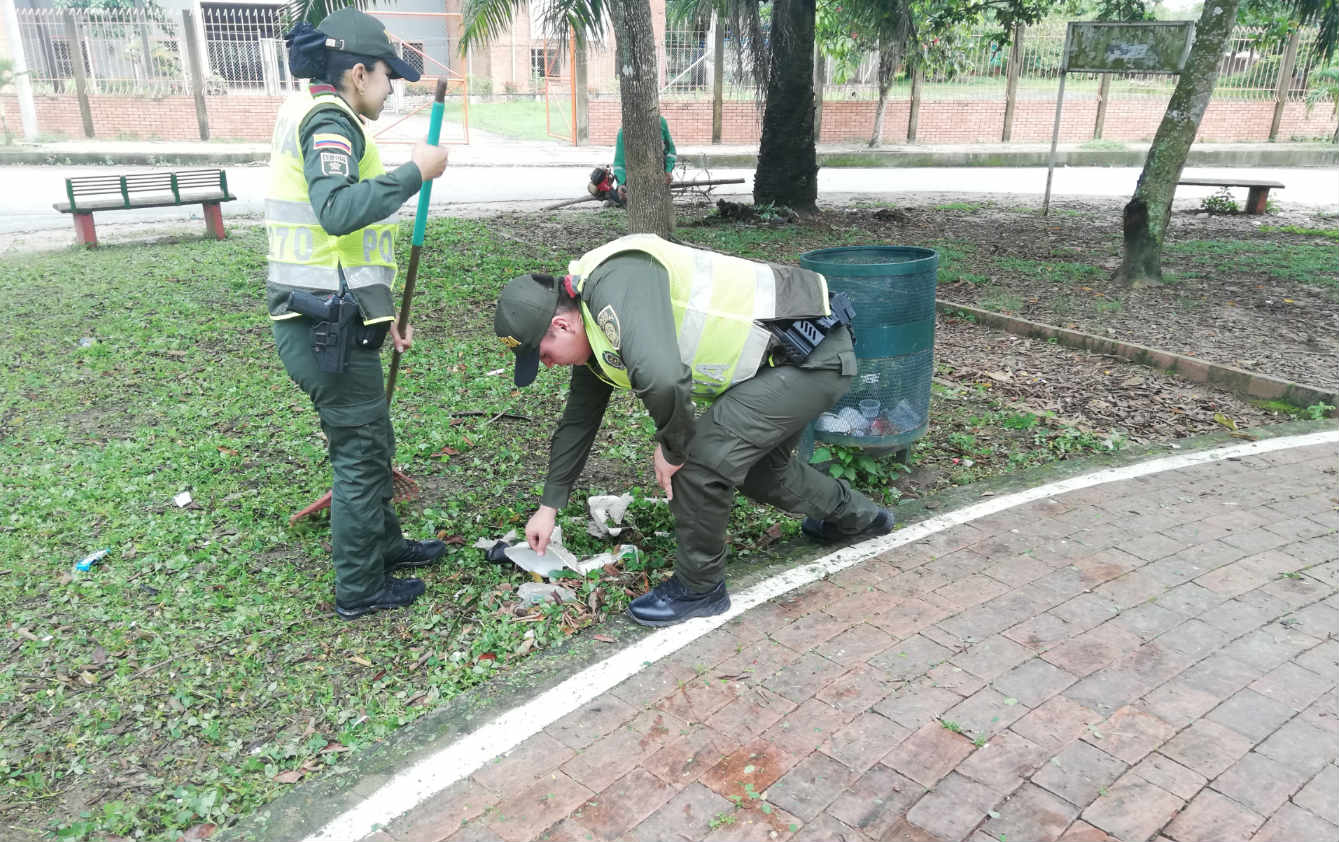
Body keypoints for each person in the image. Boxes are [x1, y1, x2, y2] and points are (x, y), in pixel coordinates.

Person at [493, 234, 894, 628]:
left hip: (809, 352)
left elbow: (665, 379)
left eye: (543, 355)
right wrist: (549, 506)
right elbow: (579, 420)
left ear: (562, 325)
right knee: (760, 472)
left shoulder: (616, 285)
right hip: (781, 362)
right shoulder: (593, 328)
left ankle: (700, 589)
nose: (548, 365)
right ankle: (860, 517)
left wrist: (672, 448)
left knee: (698, 461)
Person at [266, 9, 450, 620]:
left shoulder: (322, 114)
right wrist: (415, 173)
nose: (391, 88)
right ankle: (360, 585)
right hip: (323, 328)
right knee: (360, 454)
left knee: (373, 441)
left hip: (338, 317)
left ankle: (384, 544)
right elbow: (339, 212)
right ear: (358, 73)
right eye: (386, 75)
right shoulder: (328, 122)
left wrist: (380, 312)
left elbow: (343, 252)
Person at [604, 115, 676, 205]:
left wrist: (668, 170)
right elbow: (620, 164)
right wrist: (621, 184)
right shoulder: (623, 133)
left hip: (659, 171)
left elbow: (671, 151)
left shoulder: (661, 122)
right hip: (635, 174)